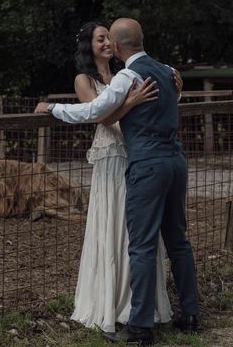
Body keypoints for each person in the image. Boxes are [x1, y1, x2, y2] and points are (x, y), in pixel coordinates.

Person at [35, 18, 199, 345]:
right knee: (178, 240)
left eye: (110, 40)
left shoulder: (128, 75)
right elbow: (163, 106)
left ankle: (139, 327)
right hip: (176, 162)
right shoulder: (167, 70)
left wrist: (52, 108)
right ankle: (190, 314)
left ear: (120, 46)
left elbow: (94, 111)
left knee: (140, 245)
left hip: (148, 165)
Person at [66, 21, 174, 333]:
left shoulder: (126, 73)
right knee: (111, 225)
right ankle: (107, 302)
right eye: (101, 39)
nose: (107, 43)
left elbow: (155, 99)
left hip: (137, 155)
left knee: (137, 230)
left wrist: (173, 81)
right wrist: (131, 102)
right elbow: (99, 117)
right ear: (91, 45)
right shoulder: (84, 80)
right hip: (110, 157)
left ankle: (139, 306)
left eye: (109, 38)